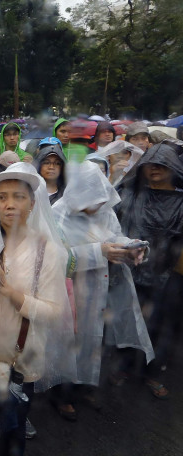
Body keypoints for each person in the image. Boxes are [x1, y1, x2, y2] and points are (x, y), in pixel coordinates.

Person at [0, 162, 76, 456]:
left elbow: (54, 312)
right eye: (1, 197)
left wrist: (11, 293)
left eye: (18, 197)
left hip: (20, 360)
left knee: (12, 432)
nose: (9, 204)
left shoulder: (48, 251)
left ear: (32, 203)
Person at [53, 161, 154, 411]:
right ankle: (62, 394)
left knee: (92, 339)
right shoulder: (58, 213)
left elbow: (113, 236)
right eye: (92, 202)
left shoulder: (104, 210)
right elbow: (56, 258)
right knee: (67, 340)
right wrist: (100, 252)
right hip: (69, 290)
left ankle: (83, 385)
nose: (97, 207)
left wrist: (131, 246)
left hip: (99, 285)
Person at [114, 143, 183, 399]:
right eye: (150, 164)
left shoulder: (181, 200)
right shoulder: (131, 194)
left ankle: (152, 373)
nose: (154, 169)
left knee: (160, 324)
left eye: (161, 164)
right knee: (127, 318)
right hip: (131, 268)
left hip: (167, 274)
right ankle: (123, 367)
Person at [33, 137, 67, 205]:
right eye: (46, 163)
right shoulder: (29, 192)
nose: (51, 167)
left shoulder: (68, 194)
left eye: (57, 163)